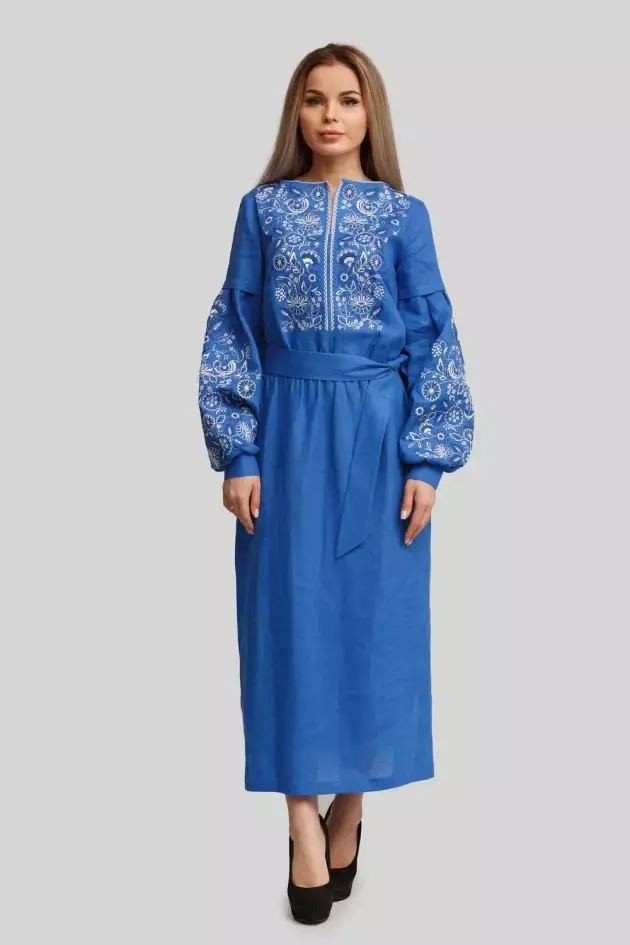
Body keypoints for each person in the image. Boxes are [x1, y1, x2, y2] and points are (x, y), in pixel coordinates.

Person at [198, 42, 474, 923]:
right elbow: (234, 324)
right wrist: (239, 451)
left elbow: (434, 334)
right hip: (285, 430)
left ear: (369, 112)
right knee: (286, 624)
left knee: (371, 626)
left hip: (377, 436)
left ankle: (350, 804)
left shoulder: (402, 215)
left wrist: (427, 460)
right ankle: (301, 825)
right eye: (314, 99)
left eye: (347, 99)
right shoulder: (261, 209)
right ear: (296, 111)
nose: (329, 115)